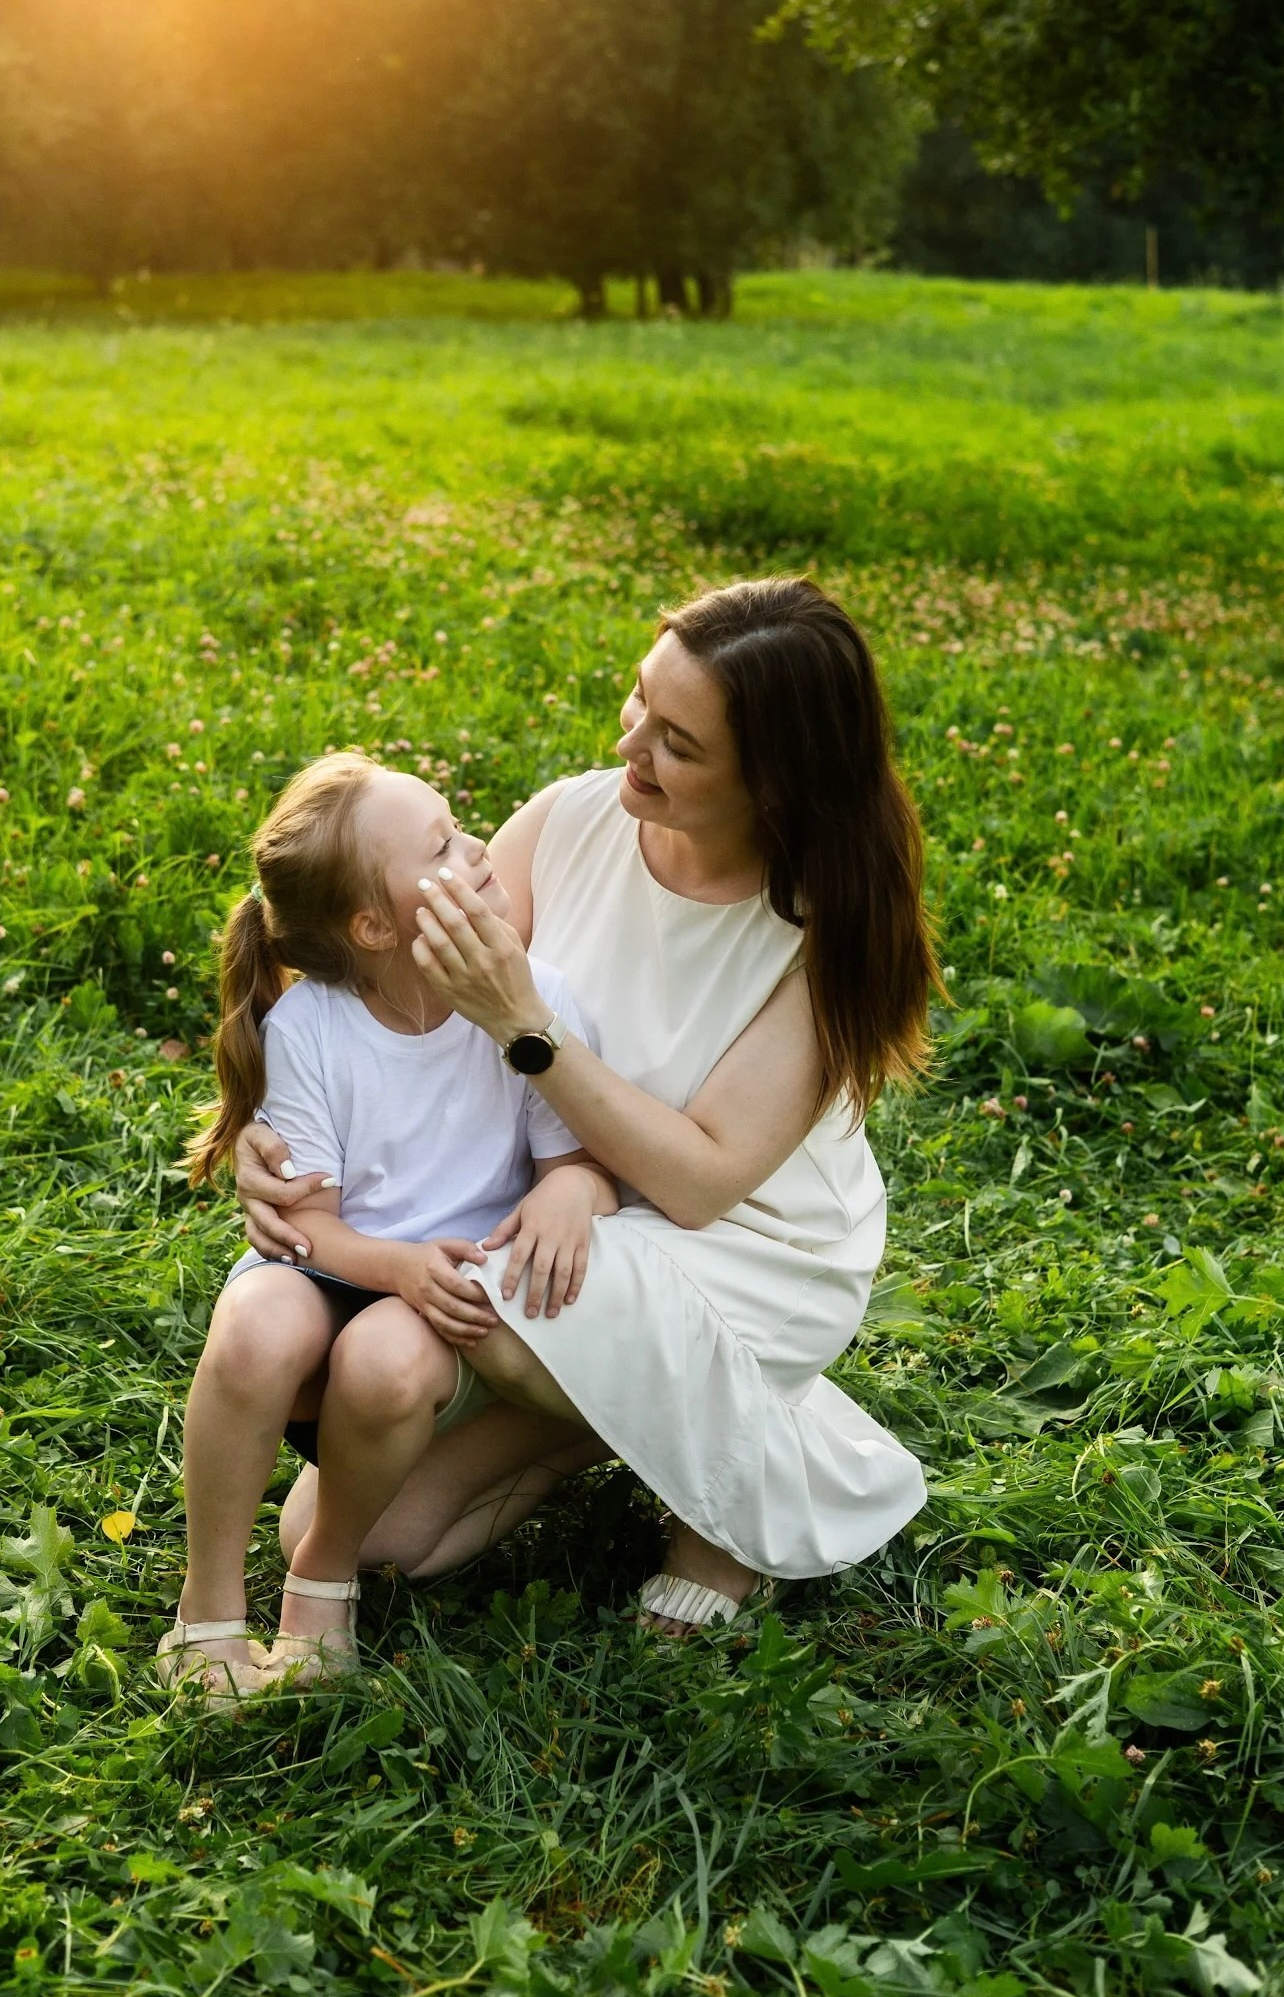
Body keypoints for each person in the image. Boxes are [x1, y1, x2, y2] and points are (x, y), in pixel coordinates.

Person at [237, 575, 936, 1632]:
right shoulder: (570, 820)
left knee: (484, 1305)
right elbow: (404, 1008)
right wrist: (278, 1131)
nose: (629, 748)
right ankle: (619, 1416)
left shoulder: (823, 935)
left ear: (777, 786)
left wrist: (527, 1026)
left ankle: (726, 1506)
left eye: (678, 744)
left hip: (746, 1247)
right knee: (358, 1540)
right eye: (639, 703)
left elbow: (701, 1182)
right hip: (570, 1202)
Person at [158, 752, 614, 1700]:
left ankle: (319, 1583)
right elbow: (305, 1227)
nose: (479, 846)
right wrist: (395, 1264)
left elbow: (571, 1158)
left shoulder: (530, 1002)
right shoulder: (314, 1027)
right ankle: (207, 1610)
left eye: (459, 823)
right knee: (253, 1328)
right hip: (343, 1259)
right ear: (372, 926)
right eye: (443, 843)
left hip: (450, 1287)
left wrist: (572, 1188)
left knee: (385, 1359)